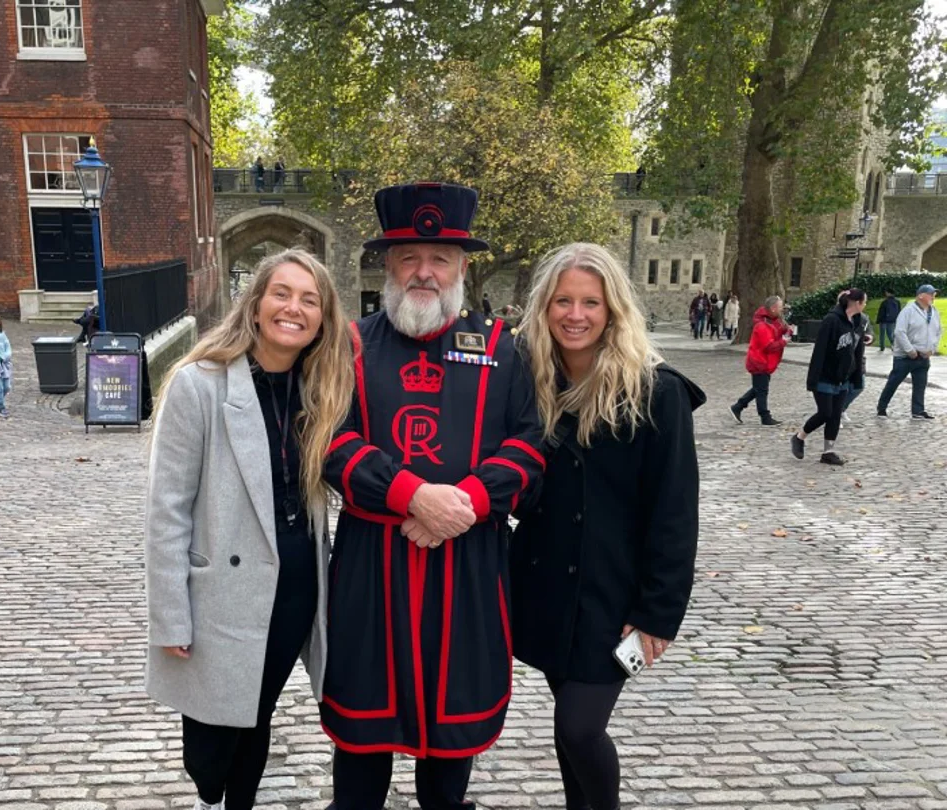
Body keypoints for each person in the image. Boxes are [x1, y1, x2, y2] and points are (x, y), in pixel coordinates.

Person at [320, 183, 545, 810]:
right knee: (362, 740)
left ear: (463, 267)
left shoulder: (505, 349)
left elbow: (530, 449)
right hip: (374, 565)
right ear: (386, 265)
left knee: (450, 744)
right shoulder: (350, 345)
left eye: (440, 257)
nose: (425, 271)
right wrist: (412, 495)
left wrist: (466, 500)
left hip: (467, 567)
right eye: (409, 257)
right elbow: (329, 442)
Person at [144, 248, 354, 810]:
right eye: (281, 294)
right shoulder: (199, 384)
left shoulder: (323, 390)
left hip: (293, 584)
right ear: (256, 305)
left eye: (310, 300)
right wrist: (171, 612)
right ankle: (212, 793)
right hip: (222, 590)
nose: (294, 308)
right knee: (210, 742)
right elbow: (167, 509)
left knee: (256, 710)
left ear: (323, 318)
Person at [511, 243, 701, 810]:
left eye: (590, 302)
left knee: (578, 726)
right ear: (543, 309)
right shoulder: (529, 385)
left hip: (613, 598)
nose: (575, 314)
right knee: (567, 719)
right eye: (563, 301)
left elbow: (674, 513)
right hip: (545, 590)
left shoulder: (654, 393)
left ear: (612, 309)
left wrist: (657, 615)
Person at [791, 289, 866, 466]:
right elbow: (820, 351)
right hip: (825, 375)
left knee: (835, 415)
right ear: (856, 302)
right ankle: (799, 437)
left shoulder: (858, 322)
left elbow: (857, 350)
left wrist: (856, 376)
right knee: (825, 412)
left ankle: (828, 451)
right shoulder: (831, 320)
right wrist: (813, 379)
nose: (865, 305)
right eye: (864, 302)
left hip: (844, 377)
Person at [876, 284, 941, 420]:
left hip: (924, 356)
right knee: (893, 382)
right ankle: (882, 407)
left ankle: (918, 410)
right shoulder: (908, 311)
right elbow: (900, 332)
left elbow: (938, 331)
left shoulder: (934, 311)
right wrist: (909, 350)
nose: (933, 297)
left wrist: (932, 349)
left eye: (934, 294)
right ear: (920, 295)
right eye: (931, 294)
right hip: (906, 356)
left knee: (920, 385)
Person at [729, 295, 793, 426]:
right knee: (762, 390)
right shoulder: (762, 325)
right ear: (773, 309)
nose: (782, 309)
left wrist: (787, 331)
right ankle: (764, 416)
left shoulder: (772, 321)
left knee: (758, 388)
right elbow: (769, 346)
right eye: (780, 307)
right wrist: (783, 341)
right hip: (760, 362)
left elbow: (778, 329)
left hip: (763, 362)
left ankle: (738, 407)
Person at [840, 293, 874, 424]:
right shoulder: (838, 318)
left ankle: (841, 408)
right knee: (842, 387)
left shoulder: (864, 319)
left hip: (858, 357)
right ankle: (835, 412)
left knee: (859, 386)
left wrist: (869, 337)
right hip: (843, 358)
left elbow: (869, 332)